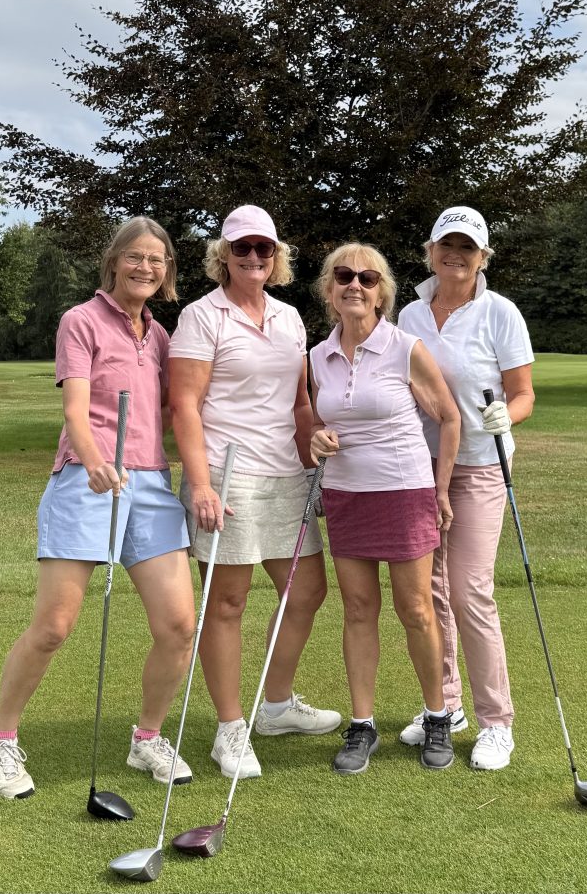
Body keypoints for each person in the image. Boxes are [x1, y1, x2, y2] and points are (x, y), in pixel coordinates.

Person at [0, 217, 196, 799]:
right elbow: (75, 411)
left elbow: (176, 411)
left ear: (167, 271)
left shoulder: (161, 335)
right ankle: (1, 738)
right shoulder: (81, 320)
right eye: (135, 256)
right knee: (54, 626)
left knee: (179, 626)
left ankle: (147, 737)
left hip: (151, 483)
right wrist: (97, 460)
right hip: (87, 478)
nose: (145, 267)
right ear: (114, 262)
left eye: (157, 259)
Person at [168, 204, 341, 780]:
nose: (252, 257)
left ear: (276, 255)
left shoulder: (290, 318)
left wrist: (312, 453)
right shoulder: (201, 316)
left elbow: (299, 403)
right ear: (223, 255)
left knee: (307, 591)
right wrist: (200, 484)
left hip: (287, 474)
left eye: (263, 248)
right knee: (227, 603)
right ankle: (229, 728)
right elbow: (184, 405)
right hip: (228, 473)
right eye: (241, 247)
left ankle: (276, 707)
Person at [309, 243, 461, 775]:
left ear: (381, 294)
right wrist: (317, 436)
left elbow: (449, 416)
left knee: (415, 608)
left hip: (403, 490)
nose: (355, 284)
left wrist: (441, 490)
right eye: (343, 276)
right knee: (357, 609)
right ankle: (362, 724)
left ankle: (438, 716)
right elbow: (319, 419)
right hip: (346, 494)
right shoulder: (317, 355)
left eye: (367, 278)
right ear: (329, 290)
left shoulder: (404, 347)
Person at [397, 206, 535, 770]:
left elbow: (523, 394)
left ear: (482, 258)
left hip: (479, 466)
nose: (455, 255)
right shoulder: (410, 314)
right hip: (419, 466)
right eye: (446, 245)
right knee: (430, 591)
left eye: (467, 247)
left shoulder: (500, 312)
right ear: (431, 252)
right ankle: (446, 706)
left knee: (469, 590)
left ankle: (496, 722)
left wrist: (507, 415)